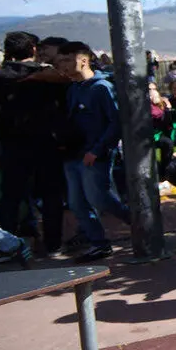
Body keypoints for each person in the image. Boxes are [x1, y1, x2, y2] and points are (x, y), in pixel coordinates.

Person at [0, 31, 69, 256]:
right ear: (32, 49)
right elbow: (62, 110)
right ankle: (53, 244)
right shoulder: (48, 77)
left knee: (10, 198)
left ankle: (6, 247)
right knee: (52, 196)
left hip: (11, 147)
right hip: (46, 145)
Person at [55, 41, 133, 262]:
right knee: (77, 203)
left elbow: (115, 123)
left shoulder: (101, 88)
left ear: (83, 60)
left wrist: (98, 150)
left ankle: (138, 222)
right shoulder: (72, 89)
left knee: (100, 199)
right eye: (60, 62)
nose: (64, 66)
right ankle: (98, 243)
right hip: (73, 154)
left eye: (67, 60)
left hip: (93, 155)